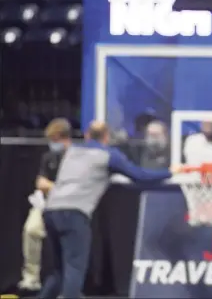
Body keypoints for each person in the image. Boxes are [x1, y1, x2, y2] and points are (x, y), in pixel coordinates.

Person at [38, 121, 182, 299]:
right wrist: (170, 172)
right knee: (74, 269)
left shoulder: (72, 151)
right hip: (74, 213)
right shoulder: (108, 155)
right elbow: (141, 177)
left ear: (87, 135)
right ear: (106, 138)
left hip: (50, 211)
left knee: (59, 271)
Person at [18, 118, 72, 296]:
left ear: (64, 138)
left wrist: (54, 187)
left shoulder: (76, 157)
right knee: (31, 230)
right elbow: (40, 182)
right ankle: (31, 278)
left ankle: (69, 286)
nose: (52, 144)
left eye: (54, 140)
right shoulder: (48, 157)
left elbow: (73, 185)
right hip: (45, 204)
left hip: (69, 206)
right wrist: (55, 187)